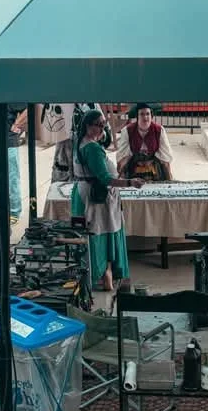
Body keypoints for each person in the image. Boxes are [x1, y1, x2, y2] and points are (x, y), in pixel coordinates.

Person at [71, 109, 144, 291]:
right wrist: (130, 182)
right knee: (100, 234)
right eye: (99, 125)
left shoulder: (81, 143)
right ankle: (104, 273)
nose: (103, 128)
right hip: (95, 200)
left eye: (104, 124)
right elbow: (105, 178)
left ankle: (105, 273)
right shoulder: (92, 148)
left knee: (95, 234)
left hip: (86, 193)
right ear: (88, 126)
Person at [115, 103, 174, 181]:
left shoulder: (159, 130)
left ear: (151, 116)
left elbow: (165, 159)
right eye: (142, 114)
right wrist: (121, 178)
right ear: (137, 117)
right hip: (135, 166)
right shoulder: (127, 130)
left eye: (147, 114)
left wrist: (169, 181)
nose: (145, 117)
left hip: (153, 166)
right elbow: (123, 156)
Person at [7, 104, 27, 226]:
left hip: (8, 140)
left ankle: (14, 211)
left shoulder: (7, 93)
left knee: (12, 177)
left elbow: (28, 107)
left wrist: (16, 125)